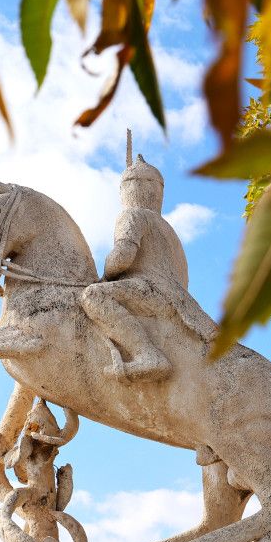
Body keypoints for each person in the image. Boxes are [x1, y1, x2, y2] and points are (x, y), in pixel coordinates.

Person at [80, 148, 191, 381]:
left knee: (93, 296)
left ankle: (147, 354)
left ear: (126, 190)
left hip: (151, 290)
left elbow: (123, 256)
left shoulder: (131, 215)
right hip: (178, 298)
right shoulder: (169, 231)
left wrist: (105, 275)